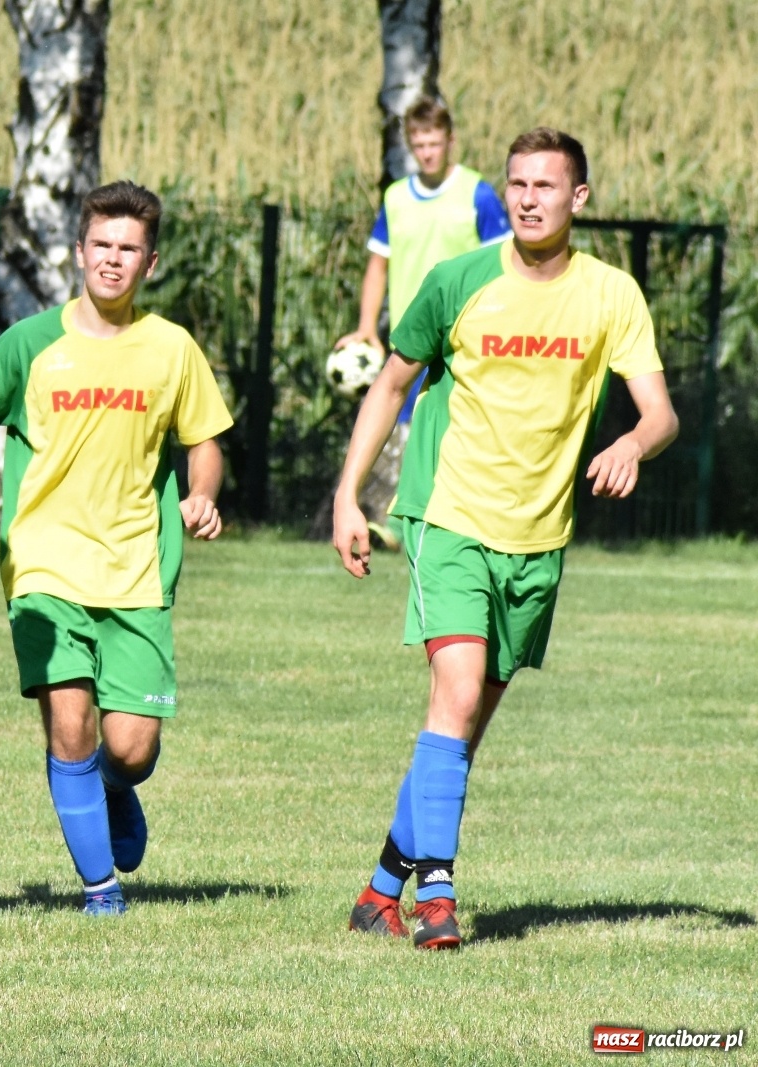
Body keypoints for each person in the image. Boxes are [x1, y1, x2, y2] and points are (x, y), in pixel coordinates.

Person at [331, 128, 678, 949]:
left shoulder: (611, 295)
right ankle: (437, 899)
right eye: (517, 183)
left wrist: (632, 444)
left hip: (539, 535)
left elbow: (661, 413)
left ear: (578, 197)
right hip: (448, 515)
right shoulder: (458, 280)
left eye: (545, 186)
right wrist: (348, 496)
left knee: (461, 729)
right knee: (454, 696)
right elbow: (391, 383)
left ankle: (380, 890)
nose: (527, 199)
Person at [0, 181, 234, 916]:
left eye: (128, 248)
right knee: (69, 723)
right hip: (43, 564)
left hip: (137, 569)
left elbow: (205, 440)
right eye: (101, 244)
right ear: (78, 252)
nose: (112, 259)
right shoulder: (32, 342)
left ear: (150, 263)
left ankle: (113, 785)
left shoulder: (172, 348)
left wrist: (202, 492)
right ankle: (102, 890)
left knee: (131, 749)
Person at [335, 100, 512, 547]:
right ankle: (397, 519)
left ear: (451, 141)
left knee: (450, 426)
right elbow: (378, 264)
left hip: (467, 333)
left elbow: (506, 262)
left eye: (434, 143)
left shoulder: (477, 193)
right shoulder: (396, 198)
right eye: (419, 145)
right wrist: (367, 328)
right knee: (404, 425)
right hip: (413, 333)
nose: (427, 152)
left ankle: (445, 517)